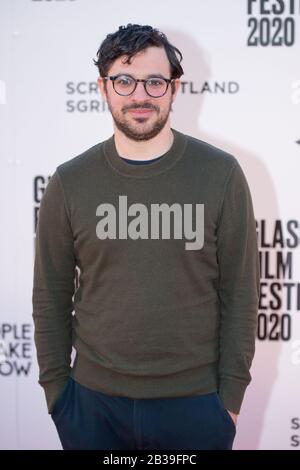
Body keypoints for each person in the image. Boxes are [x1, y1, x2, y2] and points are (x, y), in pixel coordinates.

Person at [32, 23, 260, 450]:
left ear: (174, 89)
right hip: (91, 408)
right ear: (103, 87)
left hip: (196, 406)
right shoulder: (69, 182)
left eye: (155, 81)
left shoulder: (221, 174)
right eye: (124, 80)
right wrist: (59, 398)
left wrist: (228, 402)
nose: (140, 95)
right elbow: (50, 297)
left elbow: (242, 294)